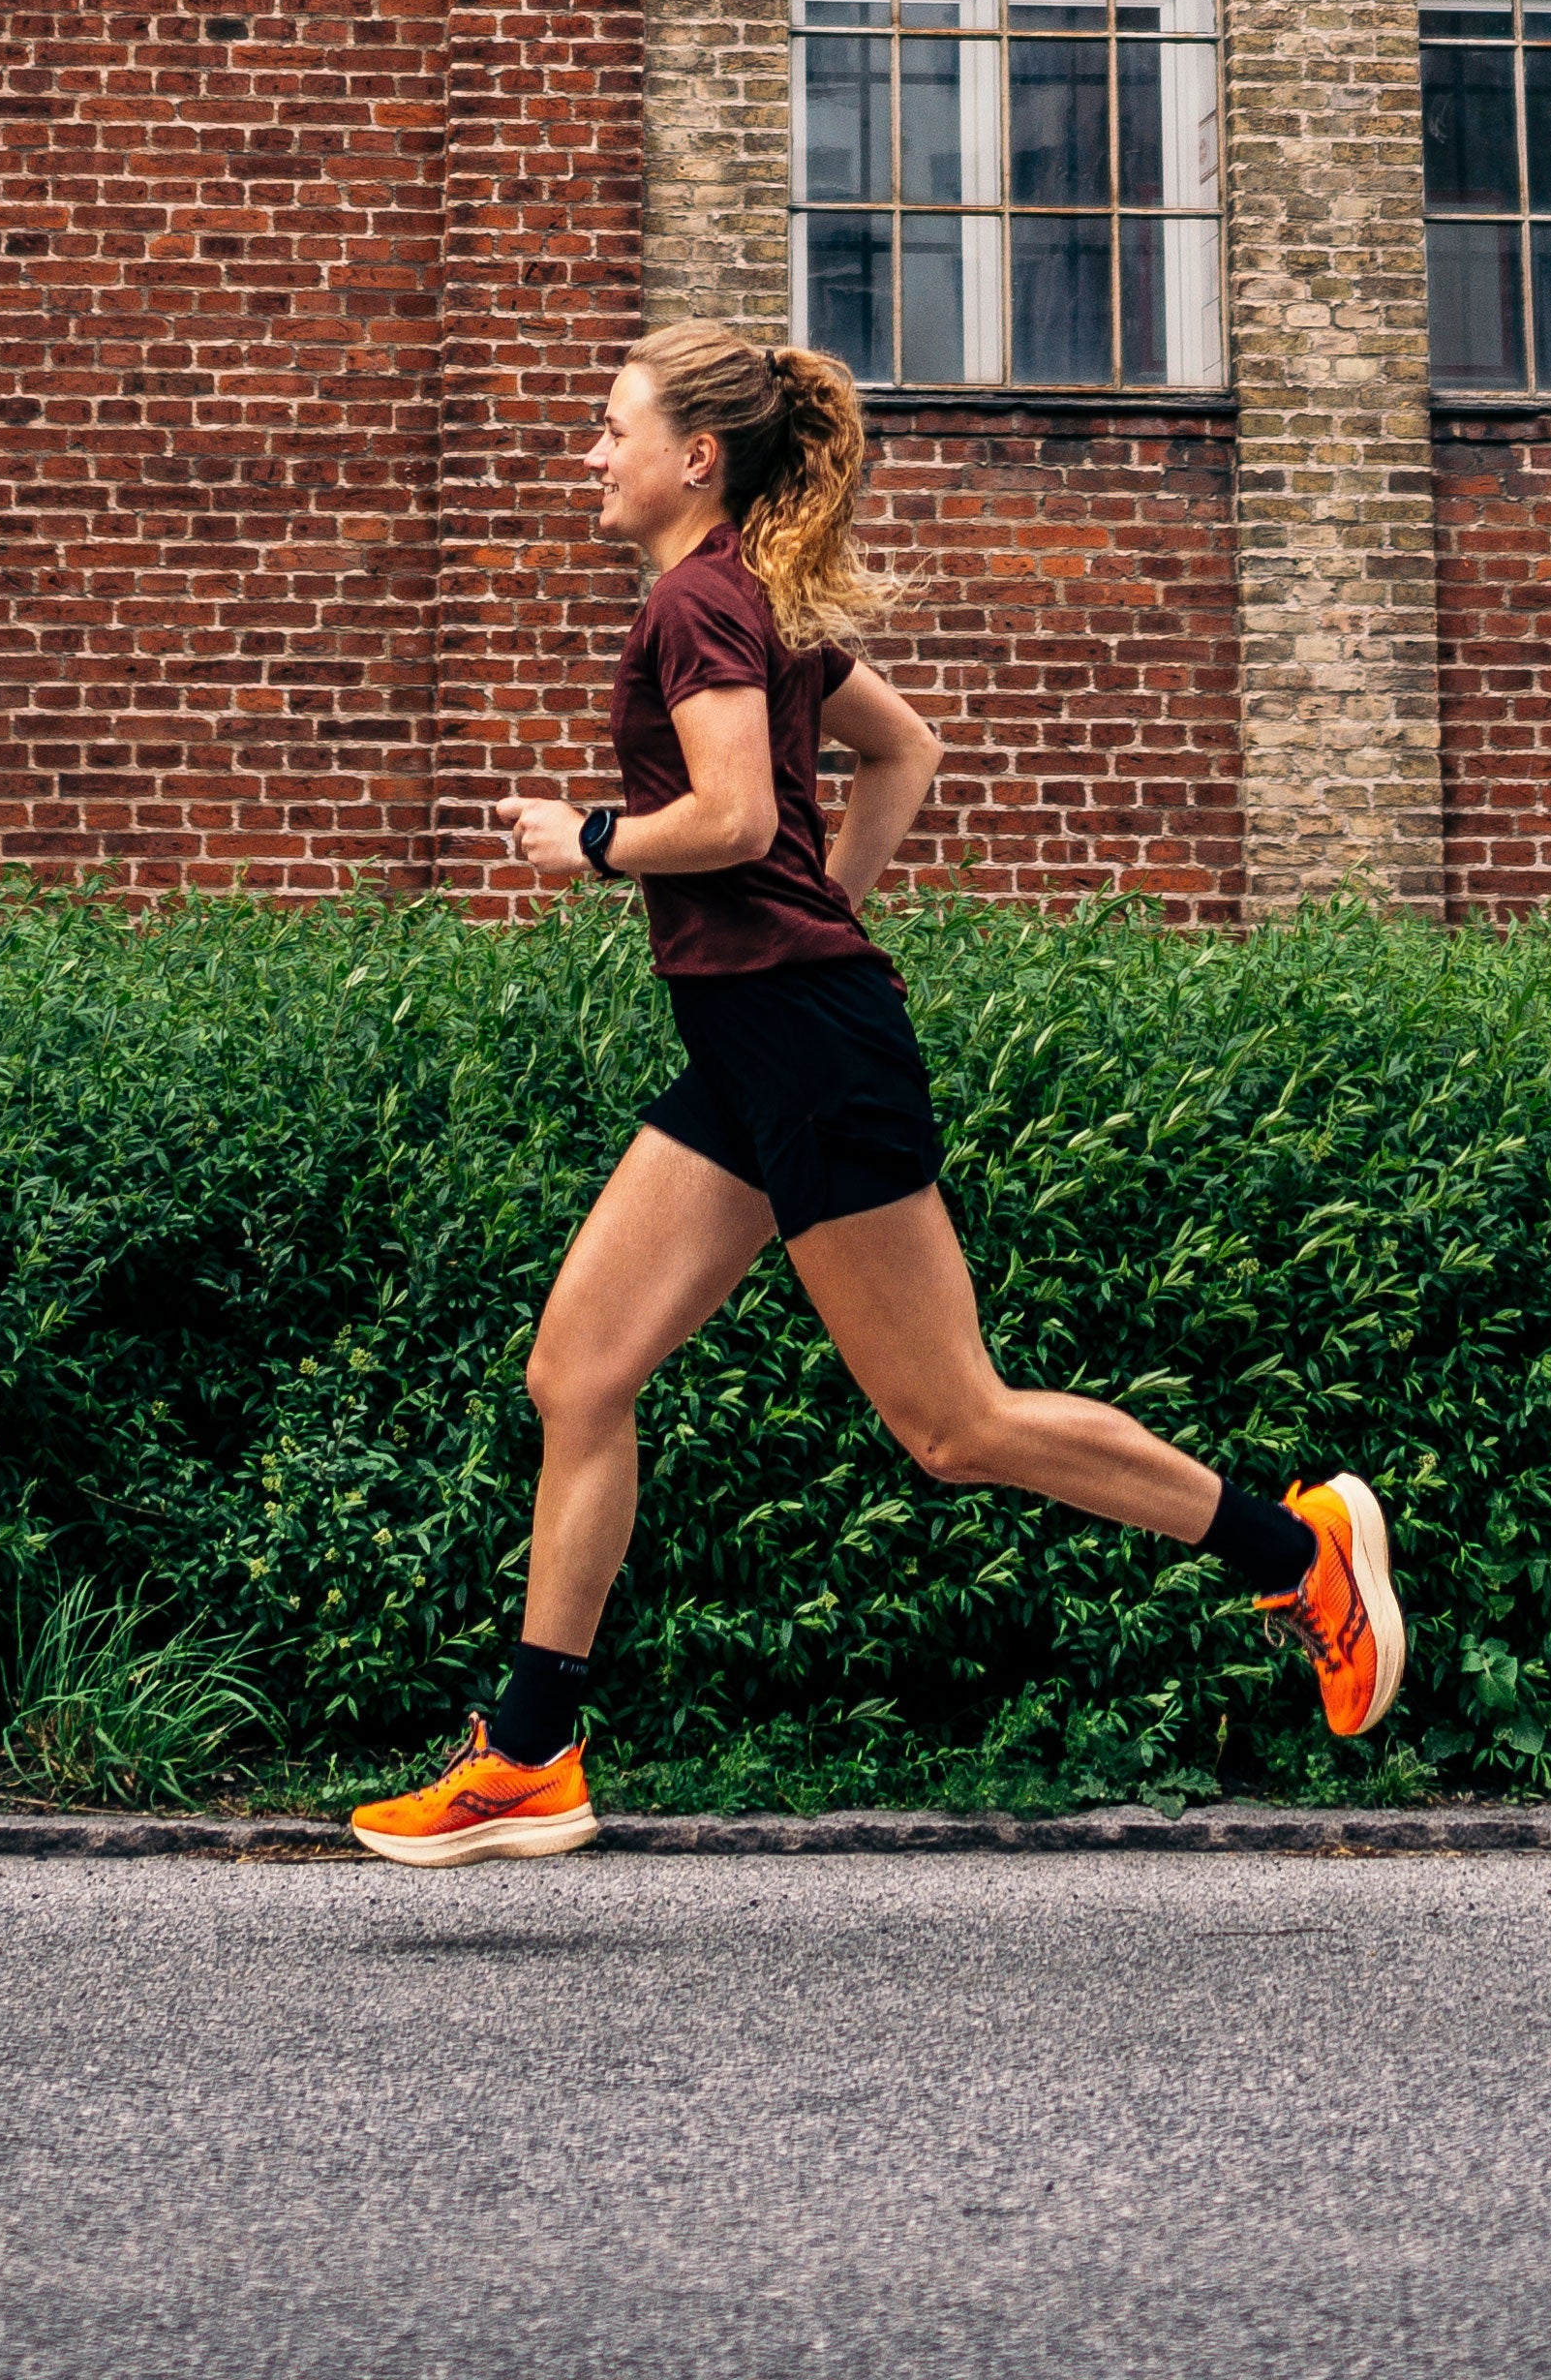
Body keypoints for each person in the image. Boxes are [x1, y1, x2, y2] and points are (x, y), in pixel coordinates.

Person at [350, 322, 1405, 1869]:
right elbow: (903, 754)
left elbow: (727, 816)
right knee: (578, 1374)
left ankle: (1299, 1549)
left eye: (610, 427)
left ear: (693, 458)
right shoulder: (752, 604)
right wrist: (818, 919)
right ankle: (529, 1754)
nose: (590, 454)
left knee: (954, 1423)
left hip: (806, 1040)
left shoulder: (702, 603)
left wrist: (590, 839)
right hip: (760, 1038)